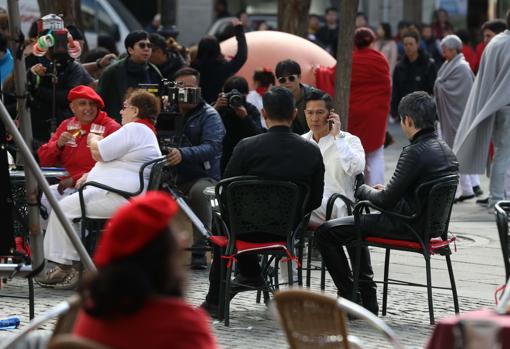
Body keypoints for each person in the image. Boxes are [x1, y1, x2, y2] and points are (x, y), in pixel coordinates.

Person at [316, 91, 459, 315]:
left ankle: (350, 297)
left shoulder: (415, 152)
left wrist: (363, 190)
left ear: (408, 121)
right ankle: (367, 299)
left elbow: (385, 200)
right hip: (428, 226)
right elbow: (406, 194)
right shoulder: (446, 151)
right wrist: (385, 193)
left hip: (407, 225)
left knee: (326, 233)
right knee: (354, 227)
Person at [201, 87, 325, 317]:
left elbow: (225, 189)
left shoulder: (247, 146)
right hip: (287, 229)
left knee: (221, 218)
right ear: (295, 113)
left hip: (243, 230)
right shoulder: (310, 150)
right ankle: (250, 273)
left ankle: (217, 299)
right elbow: (315, 198)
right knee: (227, 218)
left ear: (264, 113)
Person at [35, 89, 162, 289]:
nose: (121, 112)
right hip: (116, 191)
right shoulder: (142, 130)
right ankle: (73, 264)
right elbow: (115, 159)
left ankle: (66, 267)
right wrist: (89, 175)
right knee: (63, 204)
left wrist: (93, 139)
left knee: (62, 208)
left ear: (135, 110)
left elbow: (99, 152)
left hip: (117, 195)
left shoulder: (134, 129)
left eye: (125, 107)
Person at [73, 191, 218, 349]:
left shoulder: (92, 311)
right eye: (176, 234)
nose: (183, 239)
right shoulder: (183, 325)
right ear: (163, 255)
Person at [164, 67, 225, 270]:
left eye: (190, 87)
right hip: (169, 174)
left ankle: (200, 249)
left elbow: (212, 146)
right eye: (180, 87)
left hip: (202, 175)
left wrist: (183, 154)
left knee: (200, 193)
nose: (185, 92)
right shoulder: (168, 110)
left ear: (199, 88)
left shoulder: (210, 115)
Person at [315, 28, 391, 186]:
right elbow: (387, 86)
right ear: (372, 41)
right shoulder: (380, 59)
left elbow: (331, 75)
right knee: (375, 154)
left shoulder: (350, 58)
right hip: (376, 113)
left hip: (354, 112)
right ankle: (377, 189)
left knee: (354, 151)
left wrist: (319, 70)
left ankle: (357, 189)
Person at [37, 85, 120, 226]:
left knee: (64, 207)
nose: (88, 108)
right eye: (82, 104)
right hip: (69, 186)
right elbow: (44, 160)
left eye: (92, 104)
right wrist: (58, 144)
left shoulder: (110, 127)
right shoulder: (67, 125)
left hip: (96, 187)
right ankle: (47, 243)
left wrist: (74, 179)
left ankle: (77, 244)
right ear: (72, 108)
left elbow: (114, 166)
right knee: (44, 200)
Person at [453, 10, 510, 210]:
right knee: (503, 155)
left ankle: (497, 198)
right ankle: (499, 198)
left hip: (496, 106)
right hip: (506, 107)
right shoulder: (502, 43)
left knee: (501, 155)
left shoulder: (495, 43)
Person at [302, 90, 364, 225]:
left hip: (339, 205)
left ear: (331, 114)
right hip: (309, 203)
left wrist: (338, 138)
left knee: (294, 206)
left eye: (319, 112)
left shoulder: (349, 140)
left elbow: (356, 169)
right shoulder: (301, 142)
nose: (314, 118)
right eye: (310, 113)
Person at [27, 24, 93, 143]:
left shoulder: (72, 66)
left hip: (64, 123)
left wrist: (39, 90)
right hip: (34, 124)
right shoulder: (31, 61)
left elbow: (69, 96)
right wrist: (32, 74)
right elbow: (20, 88)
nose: (58, 49)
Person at [433, 35, 480, 202]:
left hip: (458, 116)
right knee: (453, 154)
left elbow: (462, 94)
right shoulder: (450, 65)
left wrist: (440, 86)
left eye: (445, 50)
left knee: (454, 155)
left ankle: (462, 190)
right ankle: (465, 189)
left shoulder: (461, 68)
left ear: (453, 50)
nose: (443, 53)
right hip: (448, 117)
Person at [97, 30, 162, 122]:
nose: (147, 49)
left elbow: (159, 99)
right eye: (142, 45)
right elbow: (99, 101)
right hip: (117, 125)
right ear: (130, 50)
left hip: (146, 125)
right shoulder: (112, 71)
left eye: (149, 45)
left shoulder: (154, 72)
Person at [191, 19, 247, 104]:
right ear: (218, 49)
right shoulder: (225, 68)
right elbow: (241, 56)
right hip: (221, 108)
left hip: (197, 108)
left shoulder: (192, 68)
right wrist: (239, 30)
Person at [214, 76, 262, 173]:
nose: (234, 99)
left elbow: (259, 136)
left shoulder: (250, 110)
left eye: (239, 96)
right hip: (223, 156)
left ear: (246, 94)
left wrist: (245, 117)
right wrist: (215, 108)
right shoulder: (219, 108)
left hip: (247, 157)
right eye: (230, 95)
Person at [391, 29, 437, 121]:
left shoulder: (428, 64)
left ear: (417, 44)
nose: (408, 47)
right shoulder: (399, 67)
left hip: (424, 115)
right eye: (405, 44)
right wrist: (394, 111)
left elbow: (433, 90)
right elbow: (395, 91)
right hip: (404, 115)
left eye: (411, 44)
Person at [275, 59, 318, 135]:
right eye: (282, 80)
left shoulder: (315, 96)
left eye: (291, 78)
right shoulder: (277, 99)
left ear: (299, 77)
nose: (287, 82)